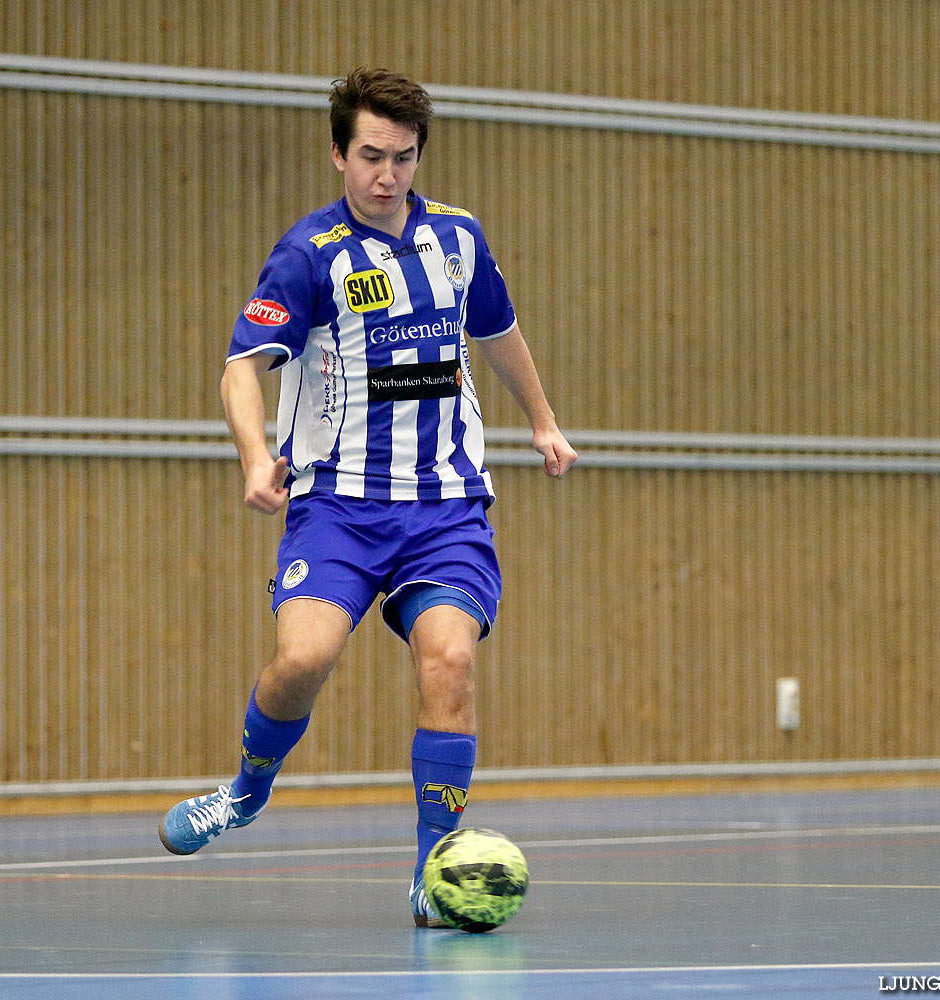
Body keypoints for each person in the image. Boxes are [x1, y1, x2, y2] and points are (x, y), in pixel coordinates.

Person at [159, 67, 577, 928]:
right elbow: (244, 368)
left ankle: (432, 874)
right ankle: (245, 790)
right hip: (339, 508)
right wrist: (254, 456)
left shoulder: (456, 239)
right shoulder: (309, 256)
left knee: (451, 662)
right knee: (304, 659)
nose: (387, 176)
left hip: (445, 506)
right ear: (339, 155)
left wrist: (542, 421)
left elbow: (496, 331)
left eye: (405, 157)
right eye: (371, 157)